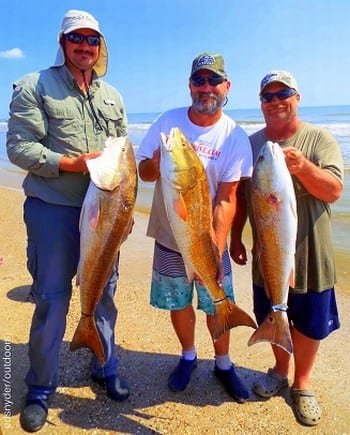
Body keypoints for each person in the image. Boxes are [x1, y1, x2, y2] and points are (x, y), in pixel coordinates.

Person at [6, 10, 130, 433]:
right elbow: (19, 148)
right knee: (53, 297)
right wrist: (69, 164)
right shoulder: (33, 86)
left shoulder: (112, 95)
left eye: (92, 39)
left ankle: (104, 364)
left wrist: (126, 210)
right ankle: (40, 386)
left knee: (104, 292)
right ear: (62, 43)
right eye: (76, 38)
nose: (85, 46)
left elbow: (123, 155)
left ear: (100, 47)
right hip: (54, 209)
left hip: (107, 213)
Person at [230, 70, 344, 426]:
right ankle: (279, 370)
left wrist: (303, 167)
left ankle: (303, 383)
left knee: (309, 321)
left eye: (284, 94)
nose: (276, 102)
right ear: (261, 103)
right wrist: (236, 237)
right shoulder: (252, 145)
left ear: (297, 98)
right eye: (268, 97)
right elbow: (241, 200)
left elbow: (334, 191)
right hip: (267, 248)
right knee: (273, 310)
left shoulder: (319, 137)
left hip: (311, 249)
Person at [137, 53, 253, 402]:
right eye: (199, 80)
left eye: (214, 80)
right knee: (178, 302)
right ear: (190, 85)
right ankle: (188, 356)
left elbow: (228, 198)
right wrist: (155, 166)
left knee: (217, 302)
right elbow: (143, 171)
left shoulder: (234, 135)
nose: (206, 87)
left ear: (227, 86)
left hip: (209, 238)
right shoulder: (168, 123)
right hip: (169, 236)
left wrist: (214, 249)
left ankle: (223, 363)